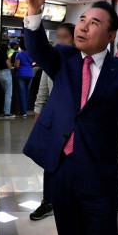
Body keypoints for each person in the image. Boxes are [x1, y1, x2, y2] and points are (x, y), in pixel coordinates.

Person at [23, 0, 118, 235]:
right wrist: (35, 12)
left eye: (94, 23)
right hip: (62, 171)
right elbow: (38, 48)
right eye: (83, 20)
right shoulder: (64, 59)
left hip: (100, 175)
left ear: (111, 35)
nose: (83, 27)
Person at [30, 22, 75, 221]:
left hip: (74, 126)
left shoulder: (79, 64)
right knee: (50, 163)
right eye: (58, 37)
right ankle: (47, 201)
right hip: (53, 123)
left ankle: (69, 201)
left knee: (71, 166)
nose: (60, 41)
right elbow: (43, 92)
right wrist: (38, 115)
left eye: (65, 37)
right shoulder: (52, 62)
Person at [14, 38, 34, 118]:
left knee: (22, 93)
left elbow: (17, 66)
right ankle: (25, 110)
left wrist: (15, 69)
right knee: (27, 93)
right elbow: (33, 63)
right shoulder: (31, 54)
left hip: (21, 74)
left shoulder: (19, 54)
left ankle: (23, 112)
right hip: (30, 74)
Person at [0, 43, 14, 118]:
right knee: (8, 94)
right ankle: (7, 112)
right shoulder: (5, 55)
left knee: (5, 93)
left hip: (0, 74)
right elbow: (9, 66)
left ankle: (4, 110)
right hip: (7, 73)